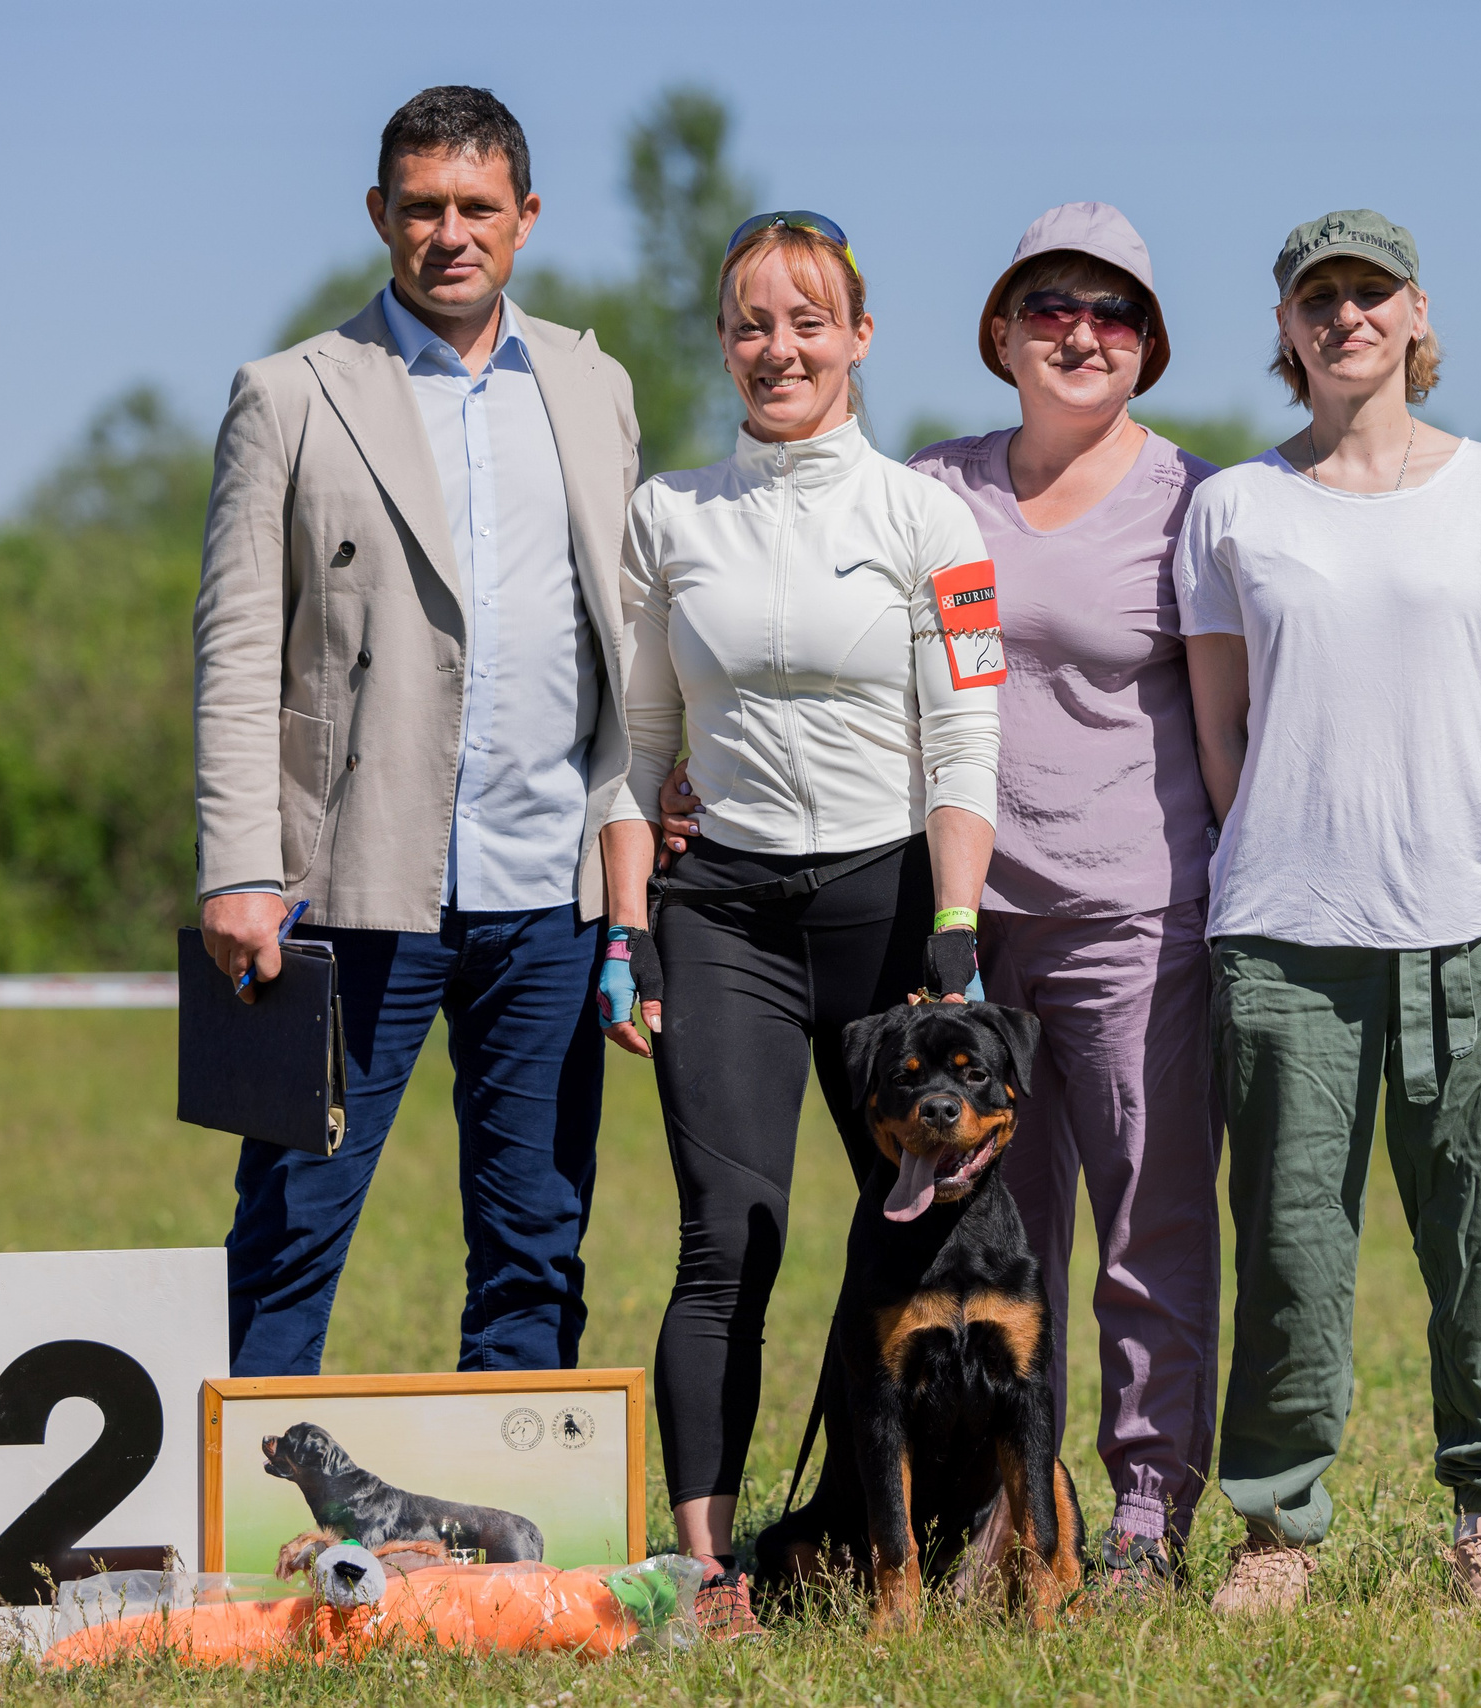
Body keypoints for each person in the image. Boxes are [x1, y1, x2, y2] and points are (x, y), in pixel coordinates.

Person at [665, 203, 1221, 1587]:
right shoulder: (935, 487)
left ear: (1147, 344)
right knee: (978, 1250)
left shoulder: (1195, 500)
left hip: (1130, 909)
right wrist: (689, 768)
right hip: (950, 917)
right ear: (999, 334)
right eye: (1049, 307)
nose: (1078, 332)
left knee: (1144, 1223)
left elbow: (1231, 716)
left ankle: (1142, 1509)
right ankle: (981, 1526)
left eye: (1111, 312)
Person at [192, 86, 641, 1377]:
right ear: (382, 214)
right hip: (343, 886)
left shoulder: (592, 384)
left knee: (538, 1234)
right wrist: (240, 866)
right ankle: (251, 1527)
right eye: (426, 206)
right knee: (290, 1219)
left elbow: (620, 632)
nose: (453, 232)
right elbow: (232, 646)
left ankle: (519, 1542)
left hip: (547, 889)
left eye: (479, 207)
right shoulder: (287, 393)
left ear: (527, 218)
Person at [594, 212, 1001, 1633]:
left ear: (860, 338)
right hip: (723, 916)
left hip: (887, 905)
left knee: (931, 1232)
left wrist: (956, 923)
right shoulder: (667, 516)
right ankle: (708, 1570)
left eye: (808, 322)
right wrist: (625, 929)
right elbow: (636, 747)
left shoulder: (927, 519)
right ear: (723, 343)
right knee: (730, 1240)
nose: (780, 349)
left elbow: (966, 736)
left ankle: (960, 1530)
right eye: (753, 325)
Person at [1178, 211, 1481, 1614]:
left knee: (1479, 1242)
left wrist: (1468, 841)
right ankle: (1278, 1528)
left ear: (1415, 315)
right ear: (1286, 328)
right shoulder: (1235, 509)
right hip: (1285, 928)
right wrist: (1294, 836)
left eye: (1370, 292)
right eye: (1317, 296)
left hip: (1469, 924)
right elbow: (1221, 725)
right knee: (1288, 1245)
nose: (1346, 315)